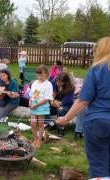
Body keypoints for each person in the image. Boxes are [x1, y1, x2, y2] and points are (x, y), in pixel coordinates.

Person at [56, 37, 110, 178]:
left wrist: (66, 119)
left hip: (98, 123)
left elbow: (82, 100)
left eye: (95, 51)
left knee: (98, 166)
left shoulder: (97, 69)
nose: (93, 54)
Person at [29, 65, 53, 148]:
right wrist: (30, 101)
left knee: (41, 123)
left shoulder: (48, 84)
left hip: (42, 106)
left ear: (46, 74)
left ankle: (39, 141)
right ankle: (35, 139)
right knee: (33, 123)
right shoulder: (35, 83)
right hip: (34, 105)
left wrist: (36, 104)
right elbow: (32, 94)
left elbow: (47, 98)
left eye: (41, 75)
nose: (39, 77)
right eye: (38, 75)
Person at [50, 72, 75, 137]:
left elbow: (68, 101)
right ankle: (52, 124)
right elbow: (53, 94)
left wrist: (59, 103)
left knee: (60, 110)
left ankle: (61, 129)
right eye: (57, 82)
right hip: (57, 103)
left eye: (60, 82)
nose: (58, 83)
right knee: (46, 107)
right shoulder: (55, 83)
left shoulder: (70, 88)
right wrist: (52, 101)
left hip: (67, 106)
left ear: (65, 82)